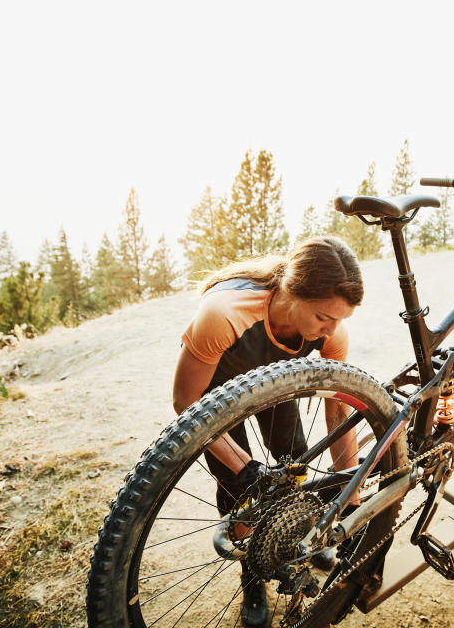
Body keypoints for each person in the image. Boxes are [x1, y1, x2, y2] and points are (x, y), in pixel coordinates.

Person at [172, 236, 364, 628]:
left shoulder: (330, 332)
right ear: (291, 293)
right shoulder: (224, 314)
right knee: (240, 488)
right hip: (217, 397)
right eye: (323, 317)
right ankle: (252, 574)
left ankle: (298, 540)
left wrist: (352, 495)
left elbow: (336, 411)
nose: (332, 329)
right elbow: (185, 402)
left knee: (294, 457)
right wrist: (246, 469)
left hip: (273, 383)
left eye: (340, 319)